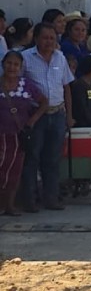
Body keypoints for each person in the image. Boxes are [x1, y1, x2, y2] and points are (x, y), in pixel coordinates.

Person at [20, 23, 74, 211]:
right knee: (32, 157)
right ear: (36, 39)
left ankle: (51, 198)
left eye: (52, 38)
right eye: (45, 37)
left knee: (52, 158)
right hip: (35, 115)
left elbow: (66, 87)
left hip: (58, 114)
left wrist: (69, 115)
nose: (49, 41)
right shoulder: (26, 58)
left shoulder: (60, 58)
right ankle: (30, 200)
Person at [0, 51, 47, 215]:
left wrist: (32, 120)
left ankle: (9, 205)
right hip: (1, 136)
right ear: (3, 64)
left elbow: (44, 102)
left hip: (18, 136)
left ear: (20, 68)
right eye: (9, 63)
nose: (12, 67)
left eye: (16, 64)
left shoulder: (26, 85)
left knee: (14, 170)